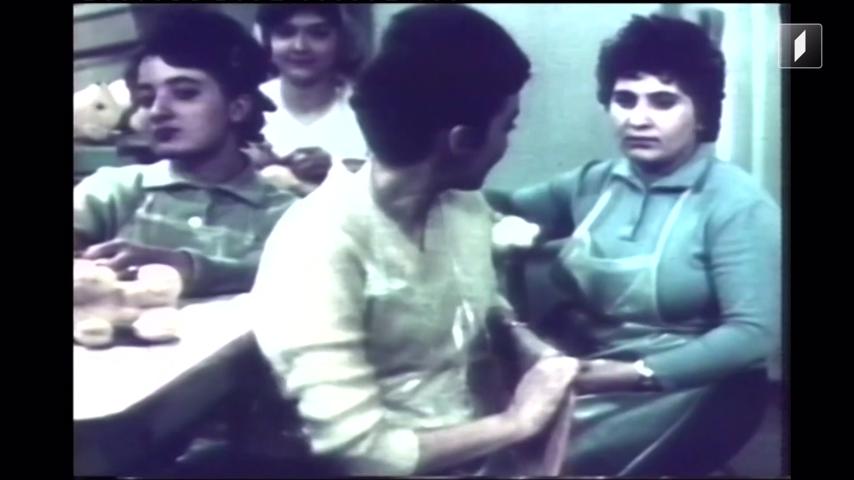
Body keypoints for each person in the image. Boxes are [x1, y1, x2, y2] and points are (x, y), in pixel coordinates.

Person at [251, 5, 579, 476]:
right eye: (506, 127)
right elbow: (363, 452)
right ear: (461, 140)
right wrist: (517, 422)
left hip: (483, 457)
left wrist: (531, 349)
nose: (506, 143)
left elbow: (479, 302)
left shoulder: (462, 207)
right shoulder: (317, 246)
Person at [488, 15, 781, 476]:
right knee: (491, 444)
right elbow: (502, 206)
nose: (638, 118)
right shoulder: (595, 182)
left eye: (664, 101)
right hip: (588, 366)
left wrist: (629, 374)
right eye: (624, 99)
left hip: (691, 387)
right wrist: (433, 179)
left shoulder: (735, 202)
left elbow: (752, 335)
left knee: (542, 464)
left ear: (702, 114)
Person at [73, 9, 296, 298]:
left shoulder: (285, 211)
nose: (158, 111)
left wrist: (184, 267)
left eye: (185, 93)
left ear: (237, 108)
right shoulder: (114, 190)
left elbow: (291, 273)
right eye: (147, 98)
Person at [247, 4, 371, 196]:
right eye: (285, 33)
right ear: (266, 40)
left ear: (341, 41)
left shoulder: (370, 107)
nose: (300, 47)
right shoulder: (245, 106)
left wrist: (335, 167)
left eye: (318, 34)